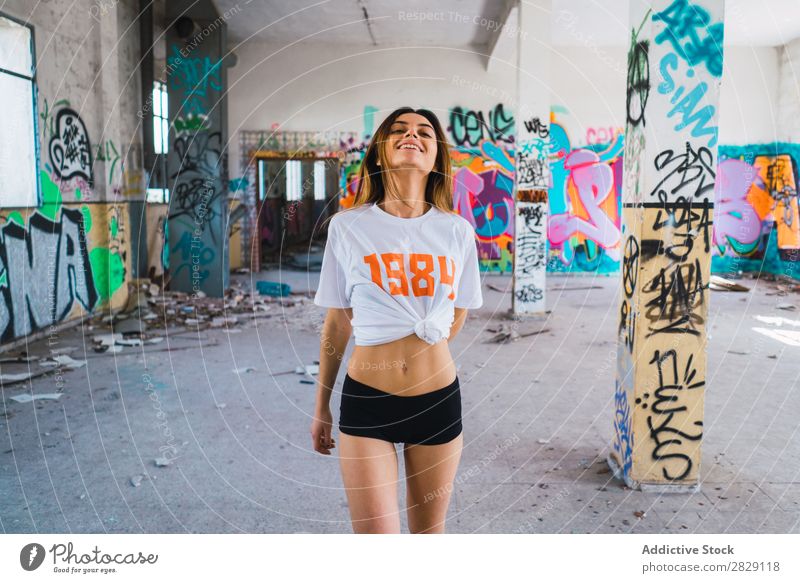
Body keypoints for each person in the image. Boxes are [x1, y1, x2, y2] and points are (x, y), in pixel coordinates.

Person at [310, 107, 483, 534]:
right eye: (399, 130)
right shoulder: (347, 227)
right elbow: (337, 325)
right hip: (368, 403)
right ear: (380, 153)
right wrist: (321, 408)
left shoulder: (457, 231)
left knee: (428, 534)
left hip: (438, 401)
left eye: (424, 131)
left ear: (436, 156)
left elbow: (455, 315)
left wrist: (425, 350)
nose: (413, 135)